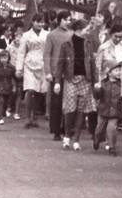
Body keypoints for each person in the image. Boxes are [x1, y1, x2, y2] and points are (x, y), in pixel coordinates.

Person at [54, 18, 98, 150]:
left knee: (81, 110)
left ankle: (76, 139)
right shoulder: (66, 44)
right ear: (79, 29)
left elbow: (92, 64)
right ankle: (67, 136)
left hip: (85, 80)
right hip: (70, 79)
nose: (88, 31)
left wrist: (96, 81)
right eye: (87, 28)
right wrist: (57, 82)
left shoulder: (88, 44)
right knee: (70, 109)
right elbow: (60, 64)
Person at [94, 23, 122, 150]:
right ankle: (98, 137)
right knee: (102, 119)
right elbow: (97, 66)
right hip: (105, 81)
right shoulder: (104, 47)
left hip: (119, 81)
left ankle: (111, 143)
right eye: (116, 36)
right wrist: (98, 83)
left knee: (114, 117)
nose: (118, 39)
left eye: (120, 37)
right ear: (111, 34)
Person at [43, 10, 73, 141]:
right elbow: (46, 54)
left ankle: (66, 129)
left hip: (70, 73)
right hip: (56, 74)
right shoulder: (51, 35)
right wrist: (48, 72)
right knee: (56, 103)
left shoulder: (72, 35)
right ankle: (56, 130)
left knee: (70, 103)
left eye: (70, 20)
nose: (68, 22)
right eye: (66, 19)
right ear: (60, 20)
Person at [15, 14, 48, 128]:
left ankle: (35, 116)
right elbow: (21, 52)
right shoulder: (26, 35)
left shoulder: (47, 34)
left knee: (39, 92)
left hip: (43, 64)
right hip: (29, 64)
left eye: (42, 22)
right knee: (30, 90)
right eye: (38, 22)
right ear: (33, 22)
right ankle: (27, 116)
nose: (40, 24)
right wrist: (19, 69)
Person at [0, 50, 16, 125]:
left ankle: (4, 111)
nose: (3, 59)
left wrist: (14, 86)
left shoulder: (12, 68)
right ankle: (0, 117)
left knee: (6, 101)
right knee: (1, 101)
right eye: (2, 57)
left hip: (8, 86)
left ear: (8, 58)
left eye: (5, 57)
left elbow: (15, 78)